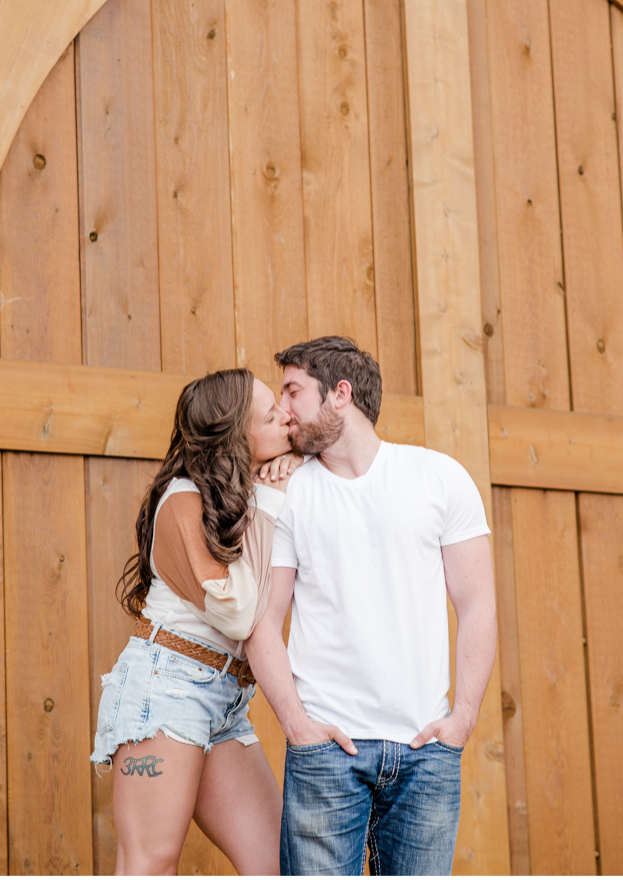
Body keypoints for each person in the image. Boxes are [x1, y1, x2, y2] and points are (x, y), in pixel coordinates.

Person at [244, 336, 496, 876]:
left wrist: (464, 718)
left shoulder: (441, 478)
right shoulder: (287, 492)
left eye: (292, 391)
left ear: (340, 393)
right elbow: (261, 620)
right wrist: (296, 725)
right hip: (326, 755)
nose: (282, 410)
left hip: (427, 754)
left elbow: (477, 604)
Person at [92, 367, 302, 875]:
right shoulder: (183, 499)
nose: (287, 420)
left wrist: (276, 476)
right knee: (149, 864)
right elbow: (238, 612)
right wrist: (271, 496)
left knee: (276, 863)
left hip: (225, 702)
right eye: (271, 416)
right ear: (234, 436)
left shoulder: (238, 495)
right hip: (166, 692)